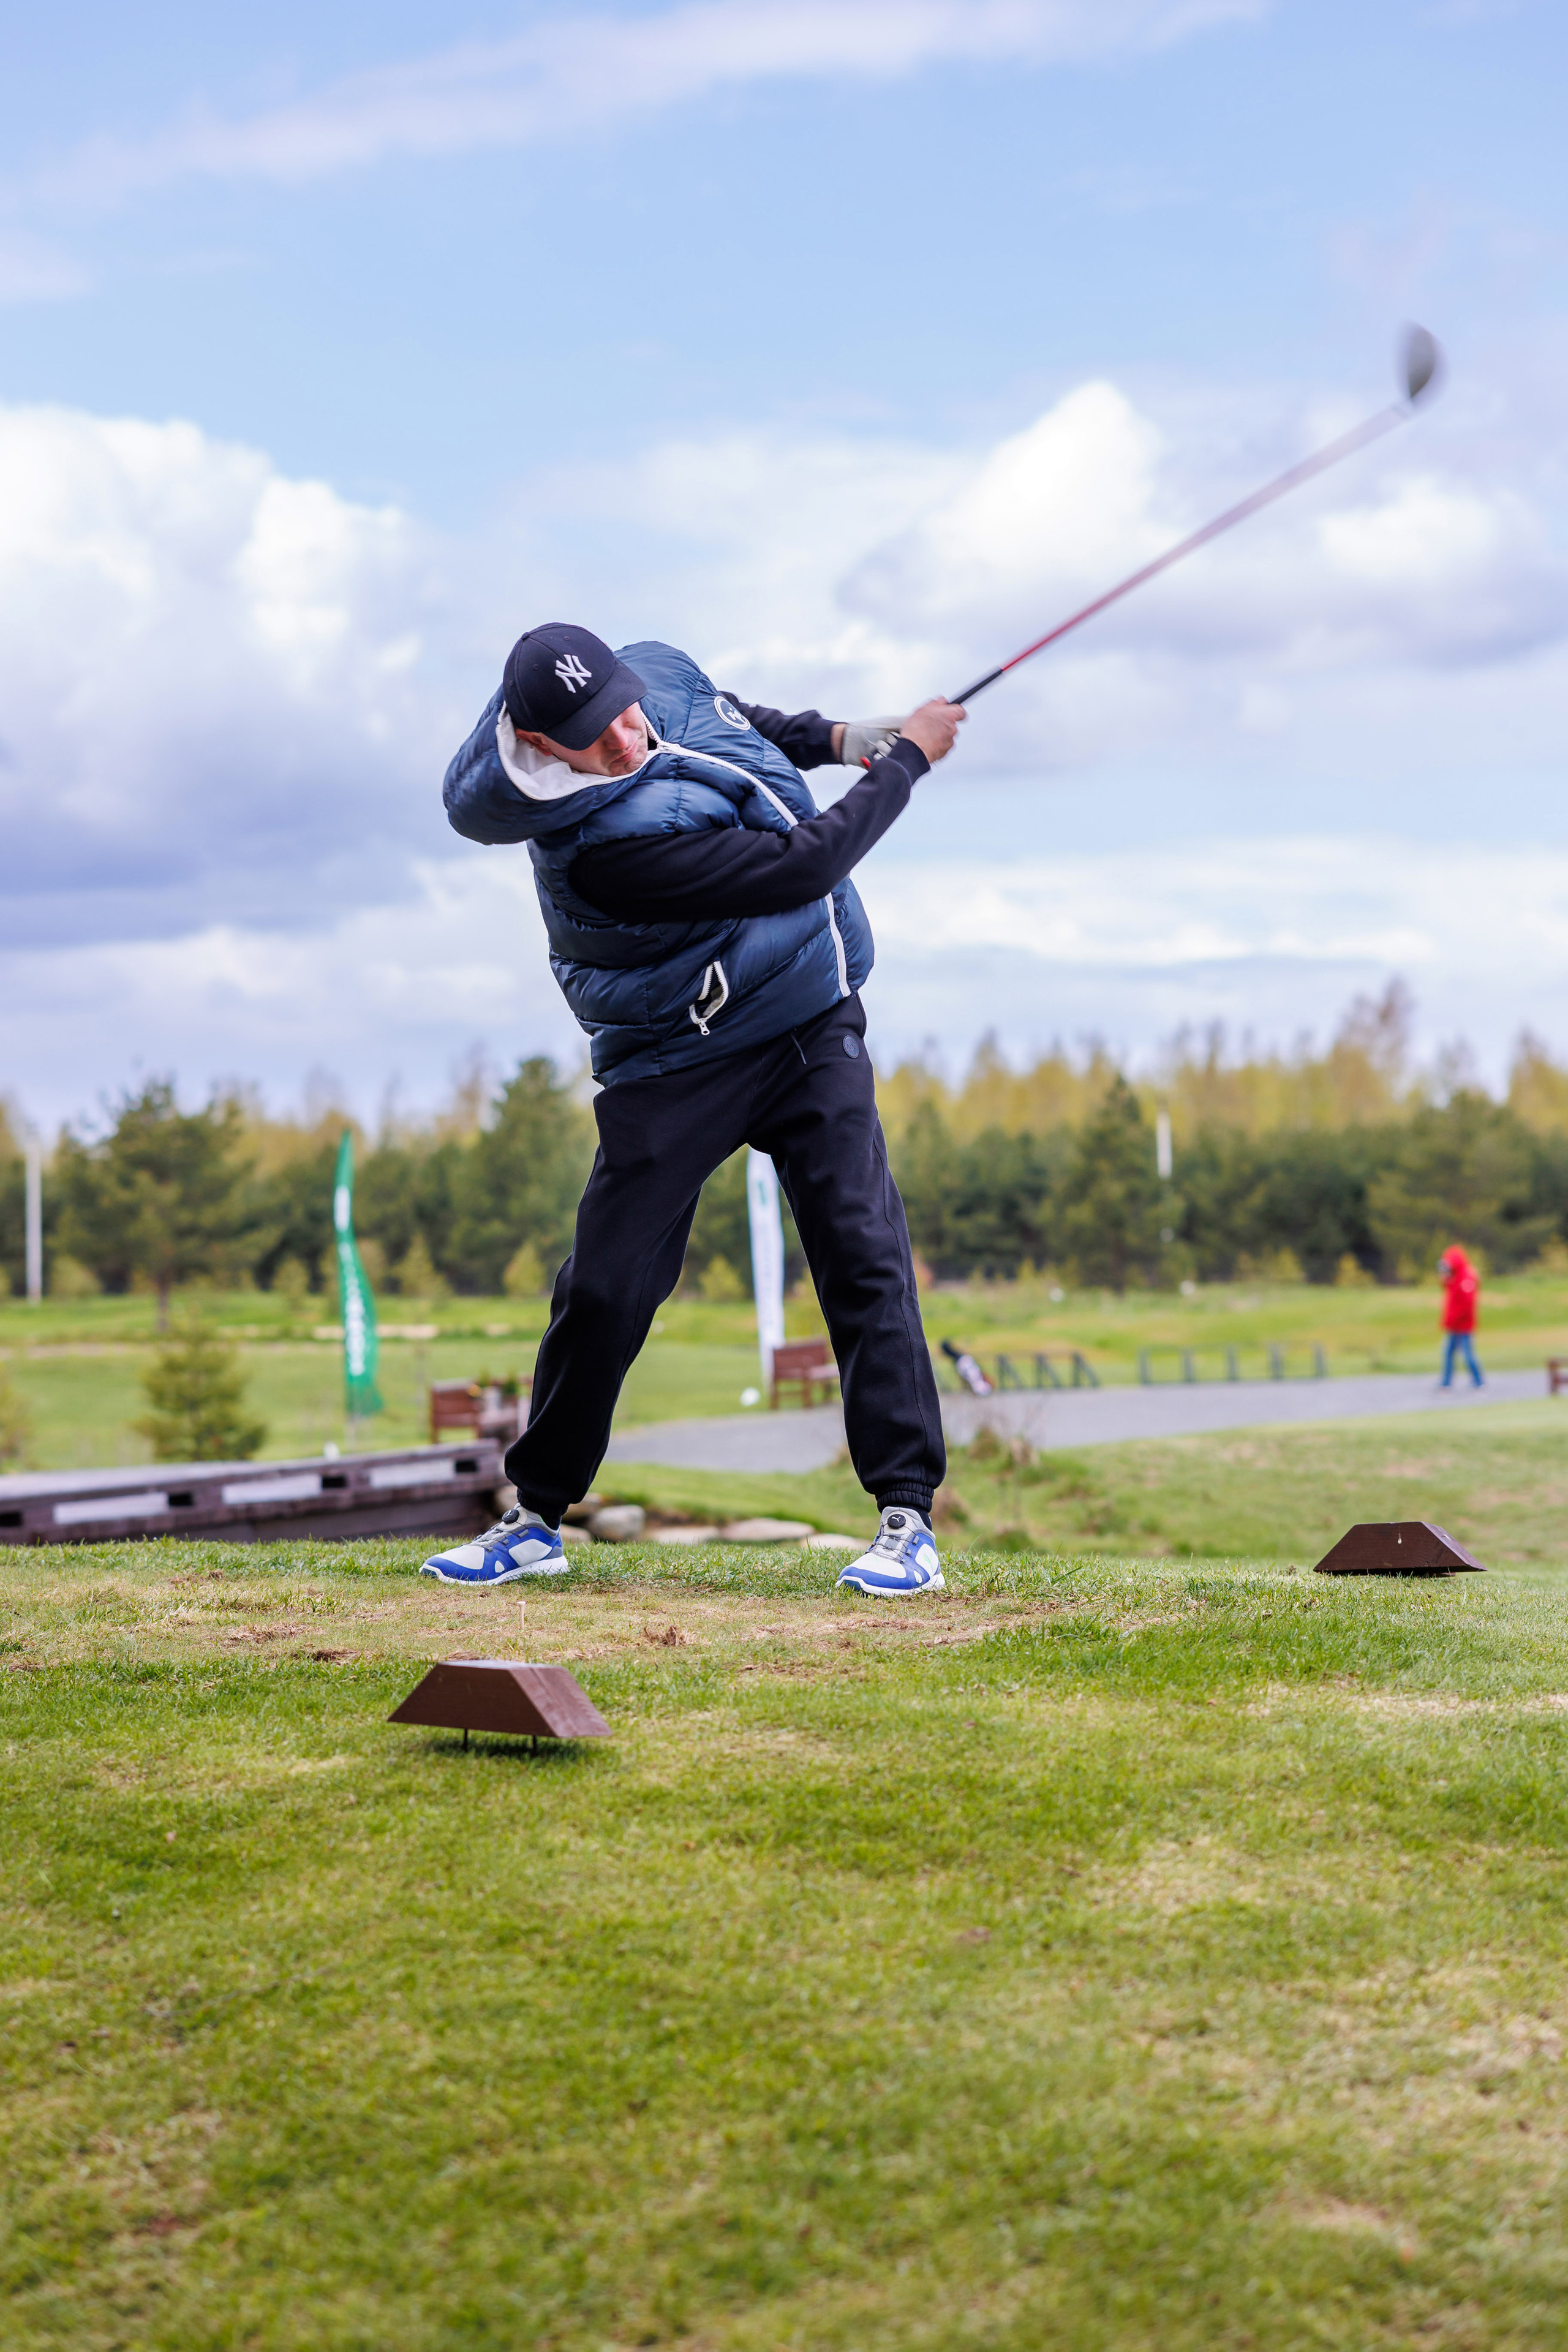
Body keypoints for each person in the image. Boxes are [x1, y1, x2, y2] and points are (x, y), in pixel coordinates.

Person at [418, 623, 964, 1597]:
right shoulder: (596, 855)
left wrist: (841, 738)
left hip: (804, 1015)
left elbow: (725, 722)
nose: (627, 737)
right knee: (606, 1286)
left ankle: (906, 1519)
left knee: (862, 1252)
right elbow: (804, 866)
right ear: (541, 746)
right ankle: (537, 1517)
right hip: (678, 1054)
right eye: (596, 736)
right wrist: (912, 758)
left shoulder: (655, 677)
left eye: (626, 710)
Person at [1438, 1245, 1483, 1387]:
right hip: (1454, 1325)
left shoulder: (1466, 1277)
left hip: (1463, 1325)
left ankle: (1478, 1381)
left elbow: (1467, 1304)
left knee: (1468, 1355)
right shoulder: (1454, 1277)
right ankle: (1446, 1382)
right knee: (1448, 1353)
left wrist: (1455, 1320)